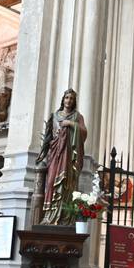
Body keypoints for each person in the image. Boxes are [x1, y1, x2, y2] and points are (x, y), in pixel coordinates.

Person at [36, 89, 87, 225]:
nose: (68, 100)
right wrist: (43, 154)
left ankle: (64, 217)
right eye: (66, 98)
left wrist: (70, 124)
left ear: (74, 101)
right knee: (52, 180)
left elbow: (84, 132)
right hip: (55, 153)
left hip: (69, 155)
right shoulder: (54, 115)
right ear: (63, 99)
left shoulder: (77, 116)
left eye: (71, 98)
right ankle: (49, 215)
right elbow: (48, 136)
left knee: (66, 184)